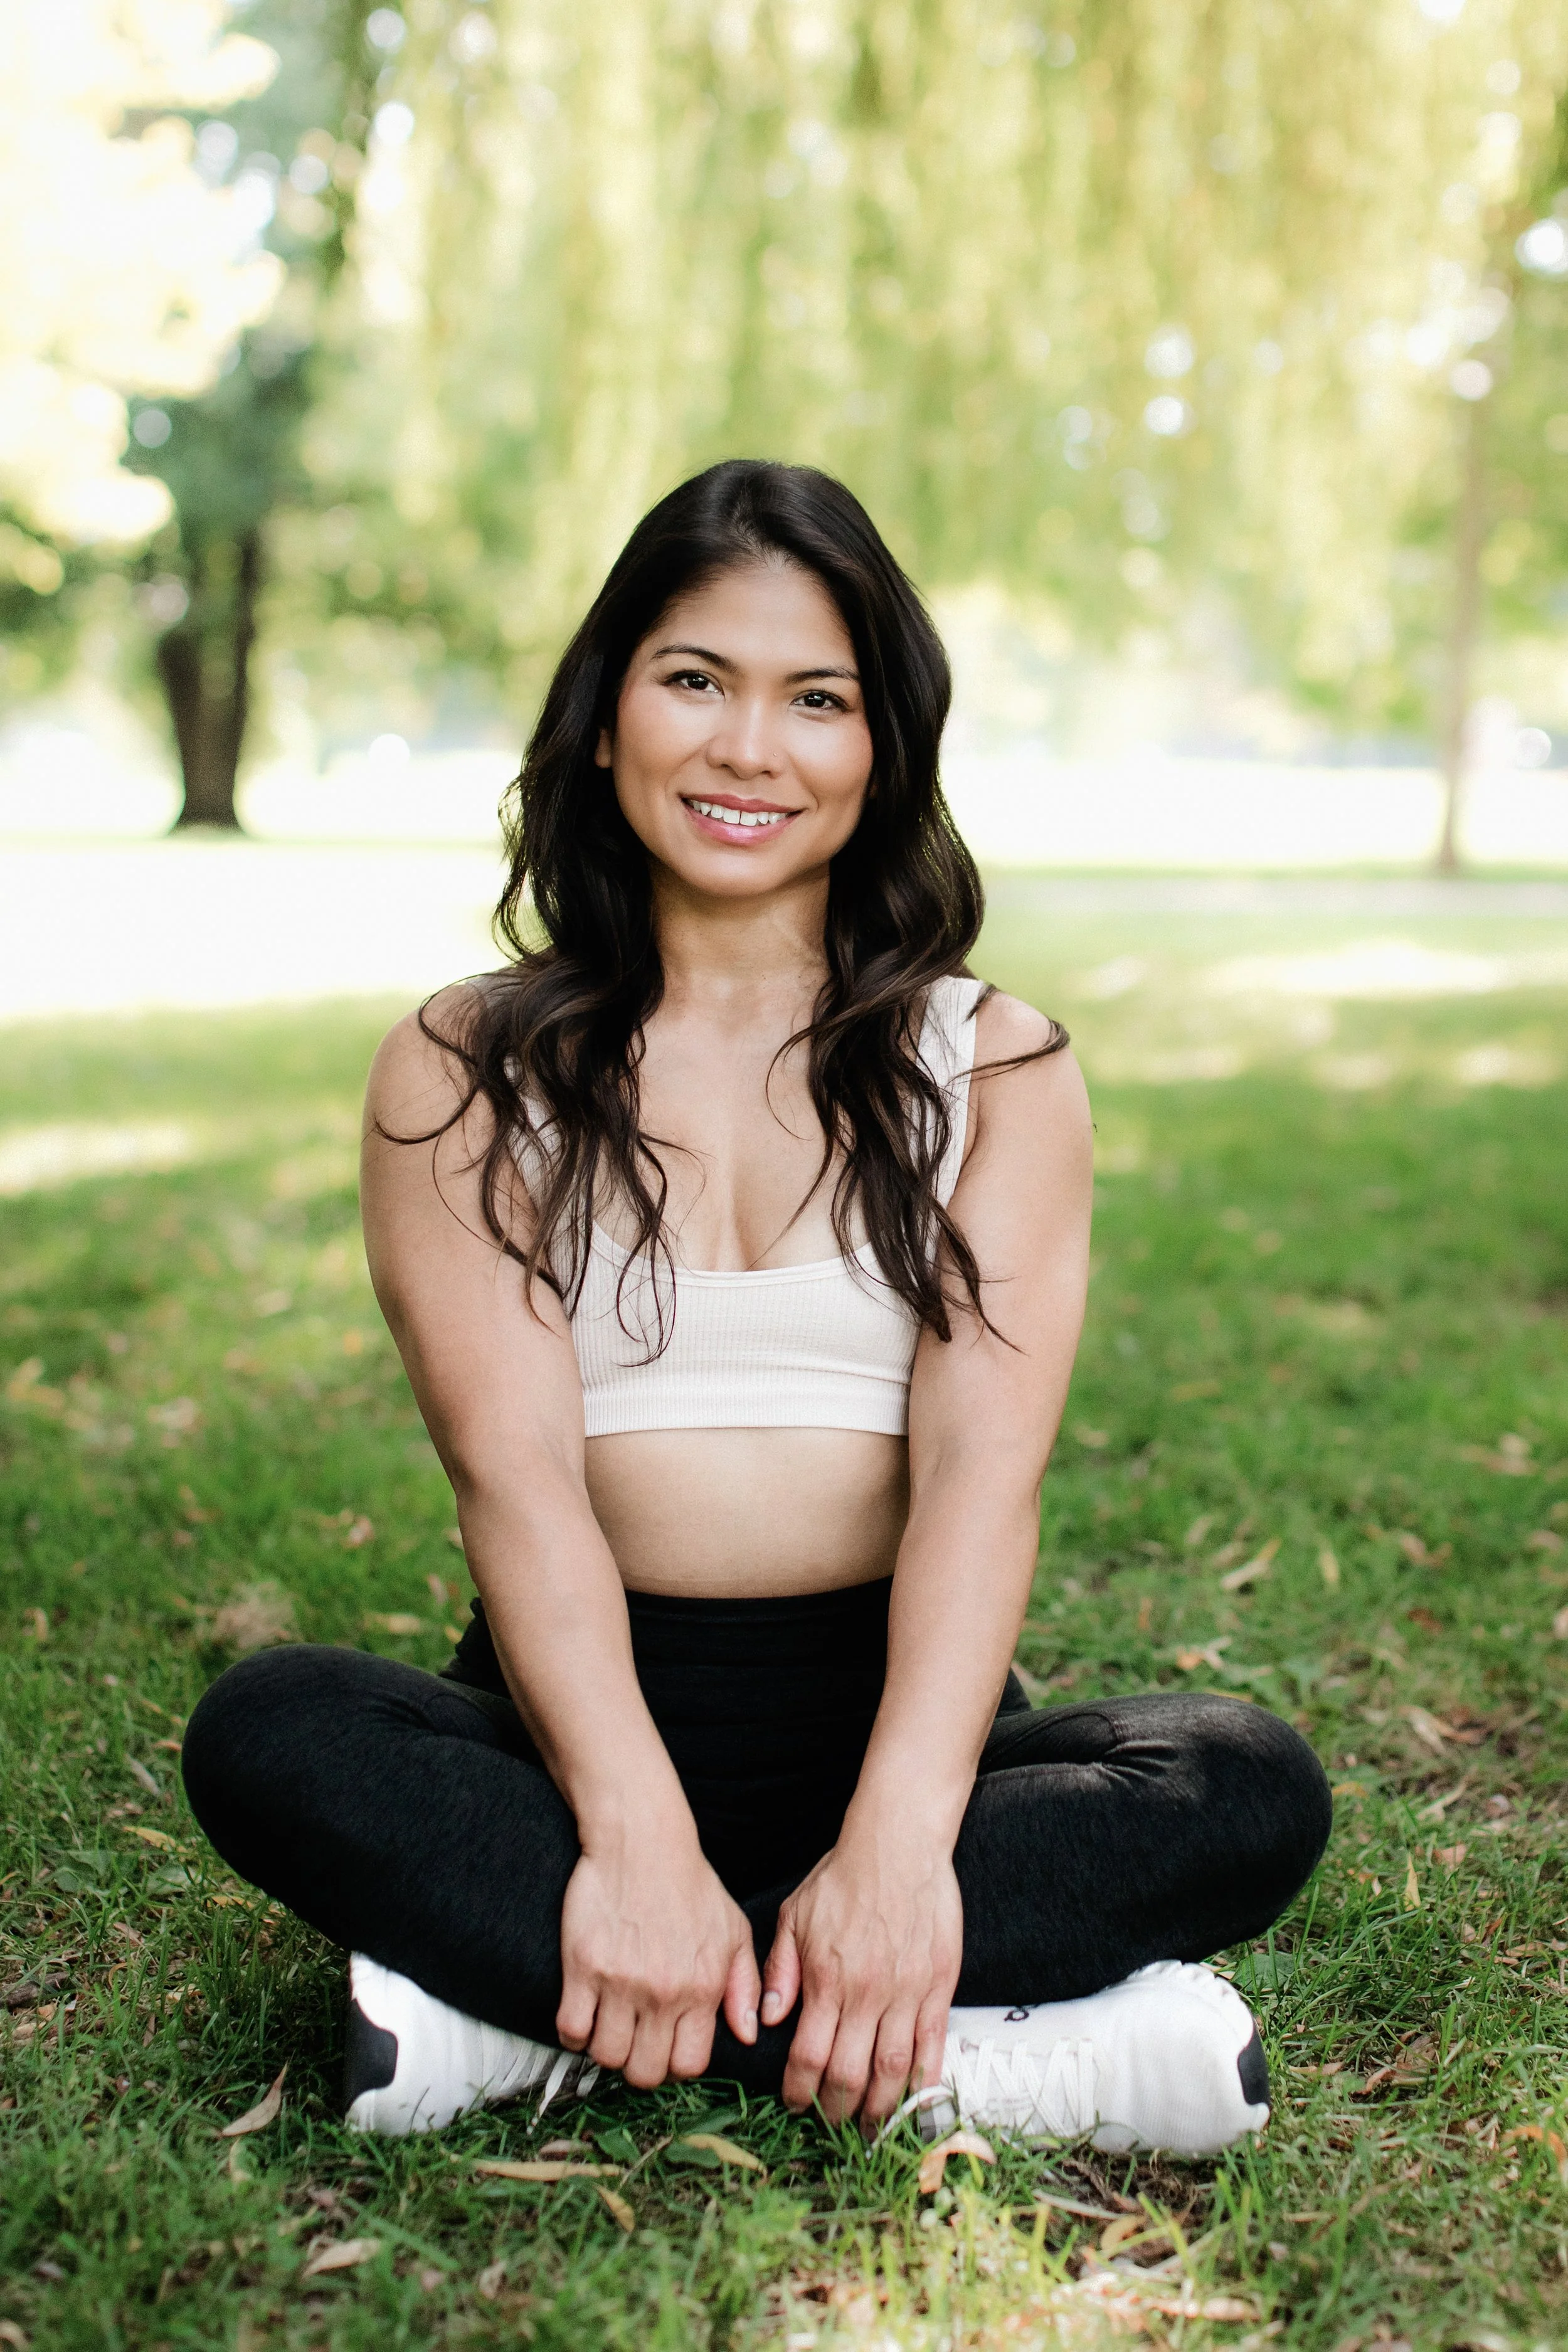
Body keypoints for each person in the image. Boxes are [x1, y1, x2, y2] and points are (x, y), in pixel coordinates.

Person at [183, 460, 1331, 2150]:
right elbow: (515, 1478)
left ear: (880, 751)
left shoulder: (993, 1065)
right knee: (270, 1729)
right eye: (694, 679)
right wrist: (634, 1830)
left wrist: (892, 1844)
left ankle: (516, 2030)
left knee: (1241, 1783)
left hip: (895, 1729)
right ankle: (979, 2050)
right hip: (565, 1730)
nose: (748, 749)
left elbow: (977, 1486)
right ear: (602, 715)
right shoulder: (465, 1066)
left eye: (817, 699)